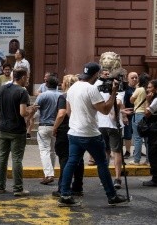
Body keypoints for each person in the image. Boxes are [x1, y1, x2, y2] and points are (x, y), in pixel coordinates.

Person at [56, 62, 129, 207]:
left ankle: (64, 194)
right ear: (96, 74)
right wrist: (113, 93)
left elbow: (69, 112)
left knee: (71, 163)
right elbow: (105, 110)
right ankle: (111, 195)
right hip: (90, 133)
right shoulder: (91, 89)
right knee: (102, 163)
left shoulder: (72, 88)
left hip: (74, 132)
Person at [0, 68, 33, 196]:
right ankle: (18, 188)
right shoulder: (22, 92)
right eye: (27, 77)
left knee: (2, 158)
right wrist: (32, 110)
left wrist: (3, 111)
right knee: (17, 159)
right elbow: (23, 113)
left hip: (3, 128)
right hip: (17, 130)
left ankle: (0, 186)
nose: (28, 80)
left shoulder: (1, 89)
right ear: (23, 77)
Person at [51, 74, 84, 198]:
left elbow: (61, 113)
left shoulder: (64, 96)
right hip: (79, 129)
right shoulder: (79, 96)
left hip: (65, 130)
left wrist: (55, 128)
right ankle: (78, 186)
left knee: (65, 159)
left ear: (65, 84)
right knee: (78, 159)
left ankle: (63, 187)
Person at [94, 69, 126, 189]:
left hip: (105, 123)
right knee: (114, 151)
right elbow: (118, 103)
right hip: (110, 123)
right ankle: (116, 178)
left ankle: (108, 178)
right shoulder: (118, 87)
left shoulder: (97, 85)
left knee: (107, 151)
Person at [35, 74, 62, 185]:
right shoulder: (61, 96)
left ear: (46, 84)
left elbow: (36, 110)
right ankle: (50, 172)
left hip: (44, 125)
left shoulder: (42, 96)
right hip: (57, 125)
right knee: (52, 151)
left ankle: (48, 174)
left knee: (44, 150)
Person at [129, 73, 150, 165]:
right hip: (147, 115)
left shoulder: (139, 89)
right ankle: (148, 160)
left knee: (137, 138)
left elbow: (131, 100)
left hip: (138, 114)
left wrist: (136, 89)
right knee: (147, 139)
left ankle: (136, 160)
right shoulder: (150, 90)